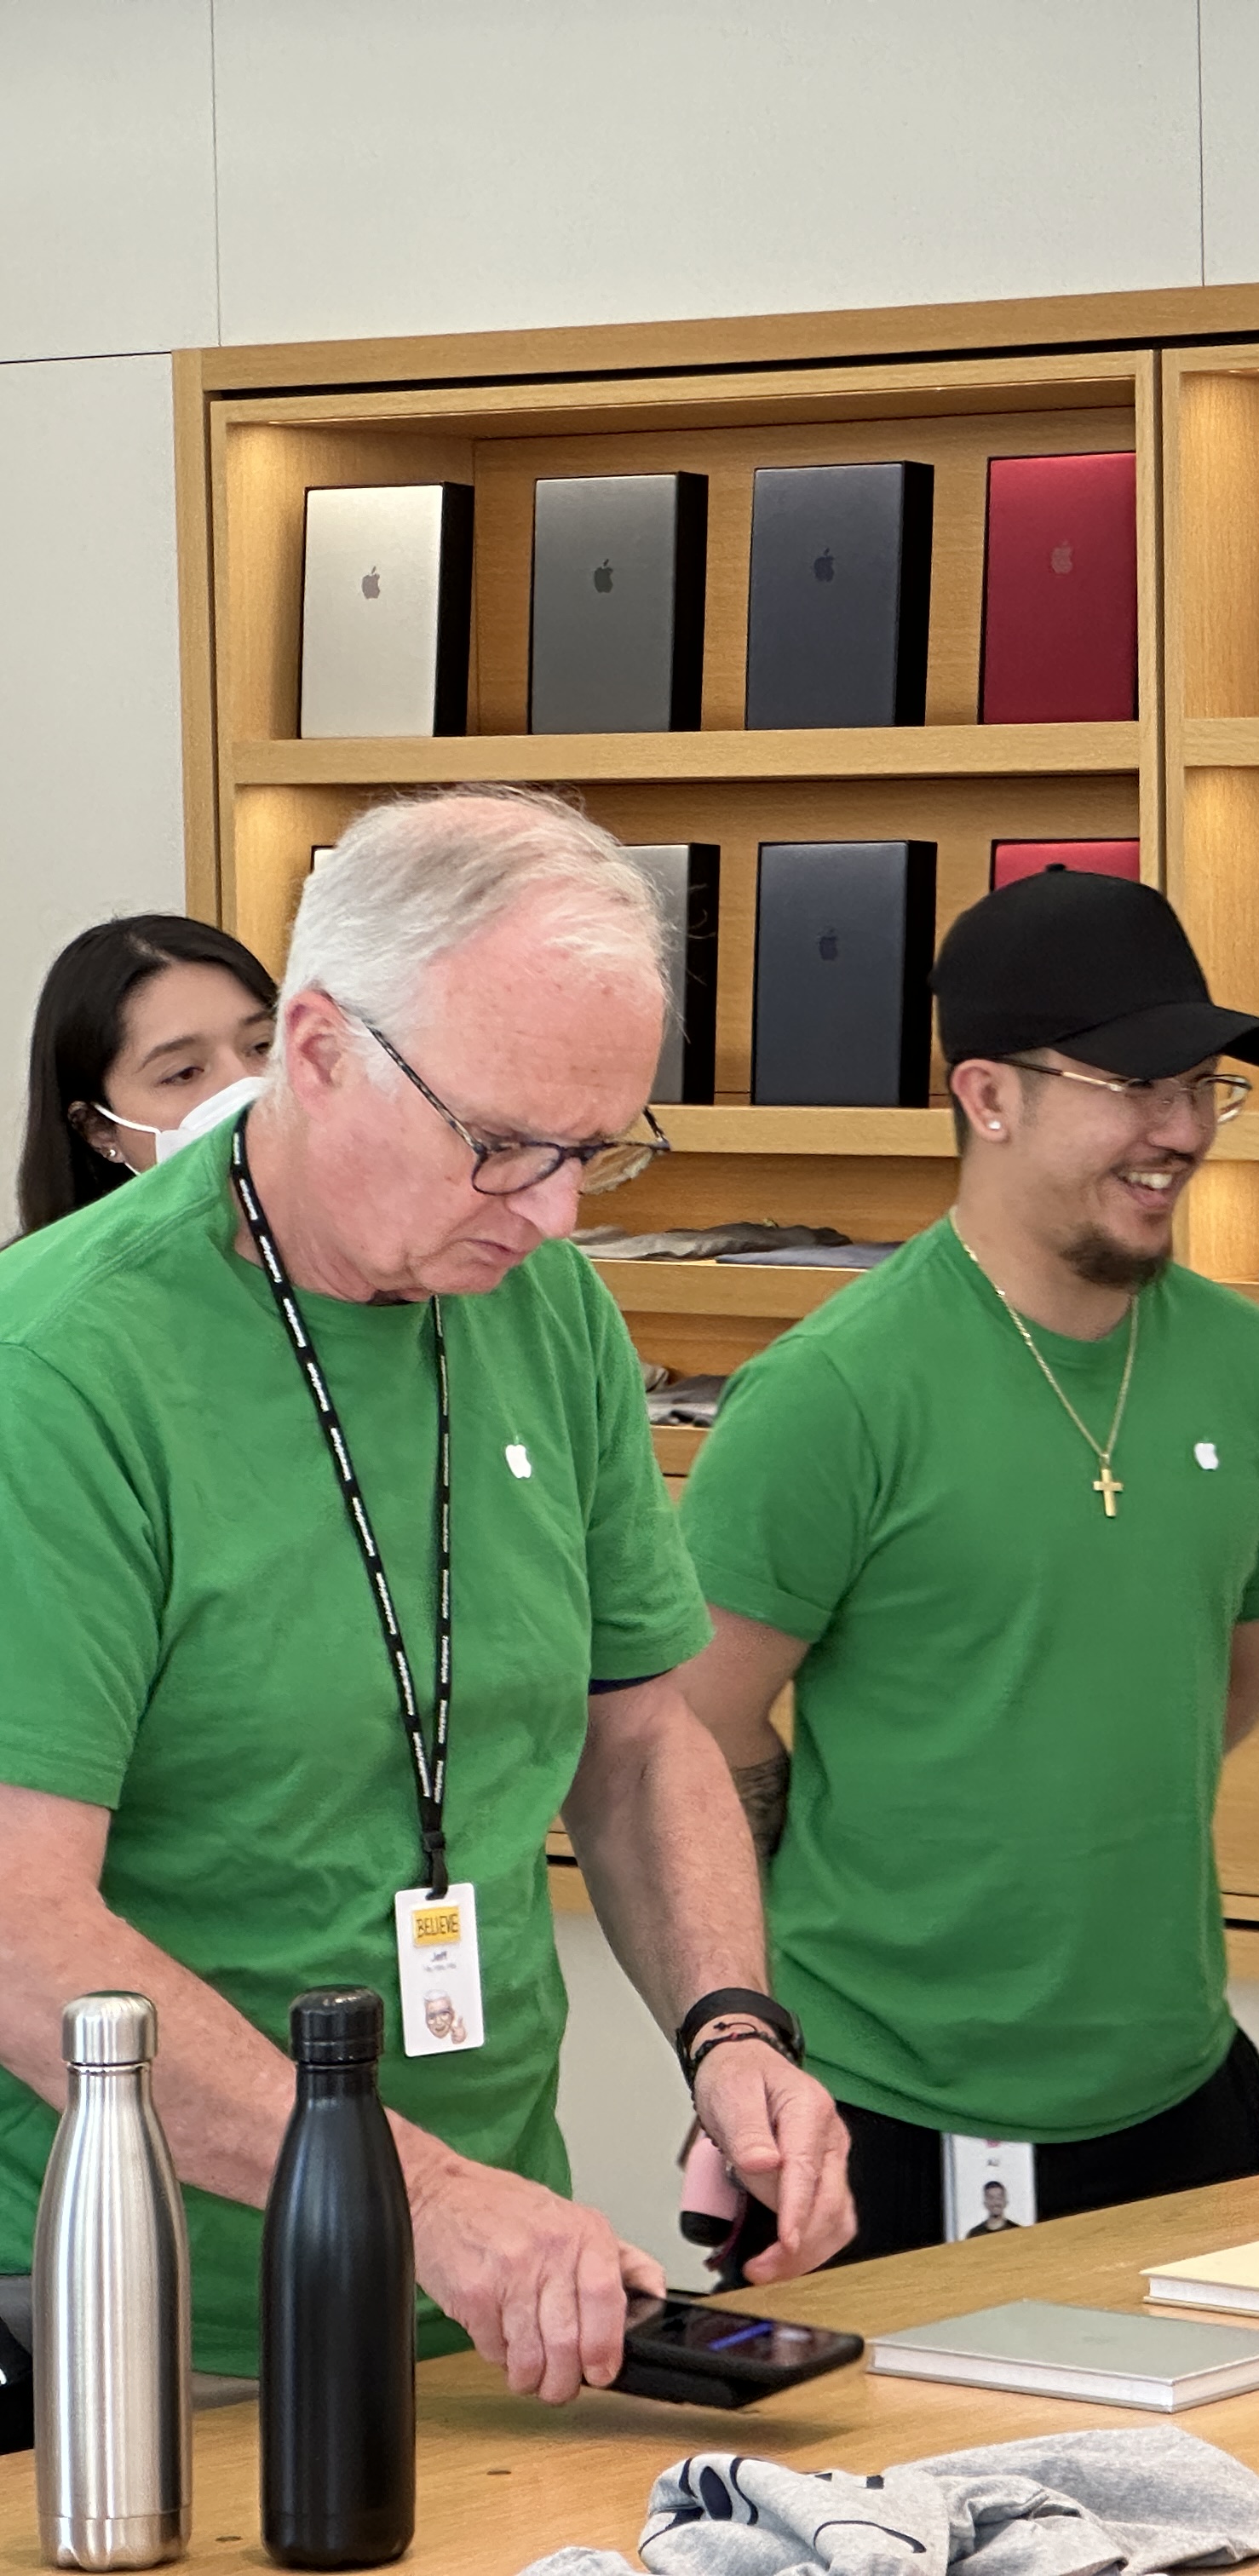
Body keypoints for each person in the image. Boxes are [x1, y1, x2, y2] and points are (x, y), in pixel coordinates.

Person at [0, 787, 855, 2404]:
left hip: (490, 2302)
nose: (555, 1211)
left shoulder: (548, 1309)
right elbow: (21, 1932)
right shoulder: (58, 1368)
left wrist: (733, 2029)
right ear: (318, 1049)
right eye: (502, 1144)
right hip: (141, 2325)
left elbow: (638, 1737)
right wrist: (430, 2198)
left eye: (595, 1150)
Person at [672, 868, 1259, 2267]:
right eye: (1135, 1085)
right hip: (878, 2115)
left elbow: (1218, 1691)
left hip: (1183, 2094)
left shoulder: (1255, 1371)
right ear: (986, 1095)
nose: (1182, 1130)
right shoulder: (833, 1392)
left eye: (1200, 1086)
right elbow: (690, 1726)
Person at [17, 912, 278, 1234]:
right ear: (99, 1128)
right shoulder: (56, 1269)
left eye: (264, 1046)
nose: (244, 1084)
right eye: (184, 1073)